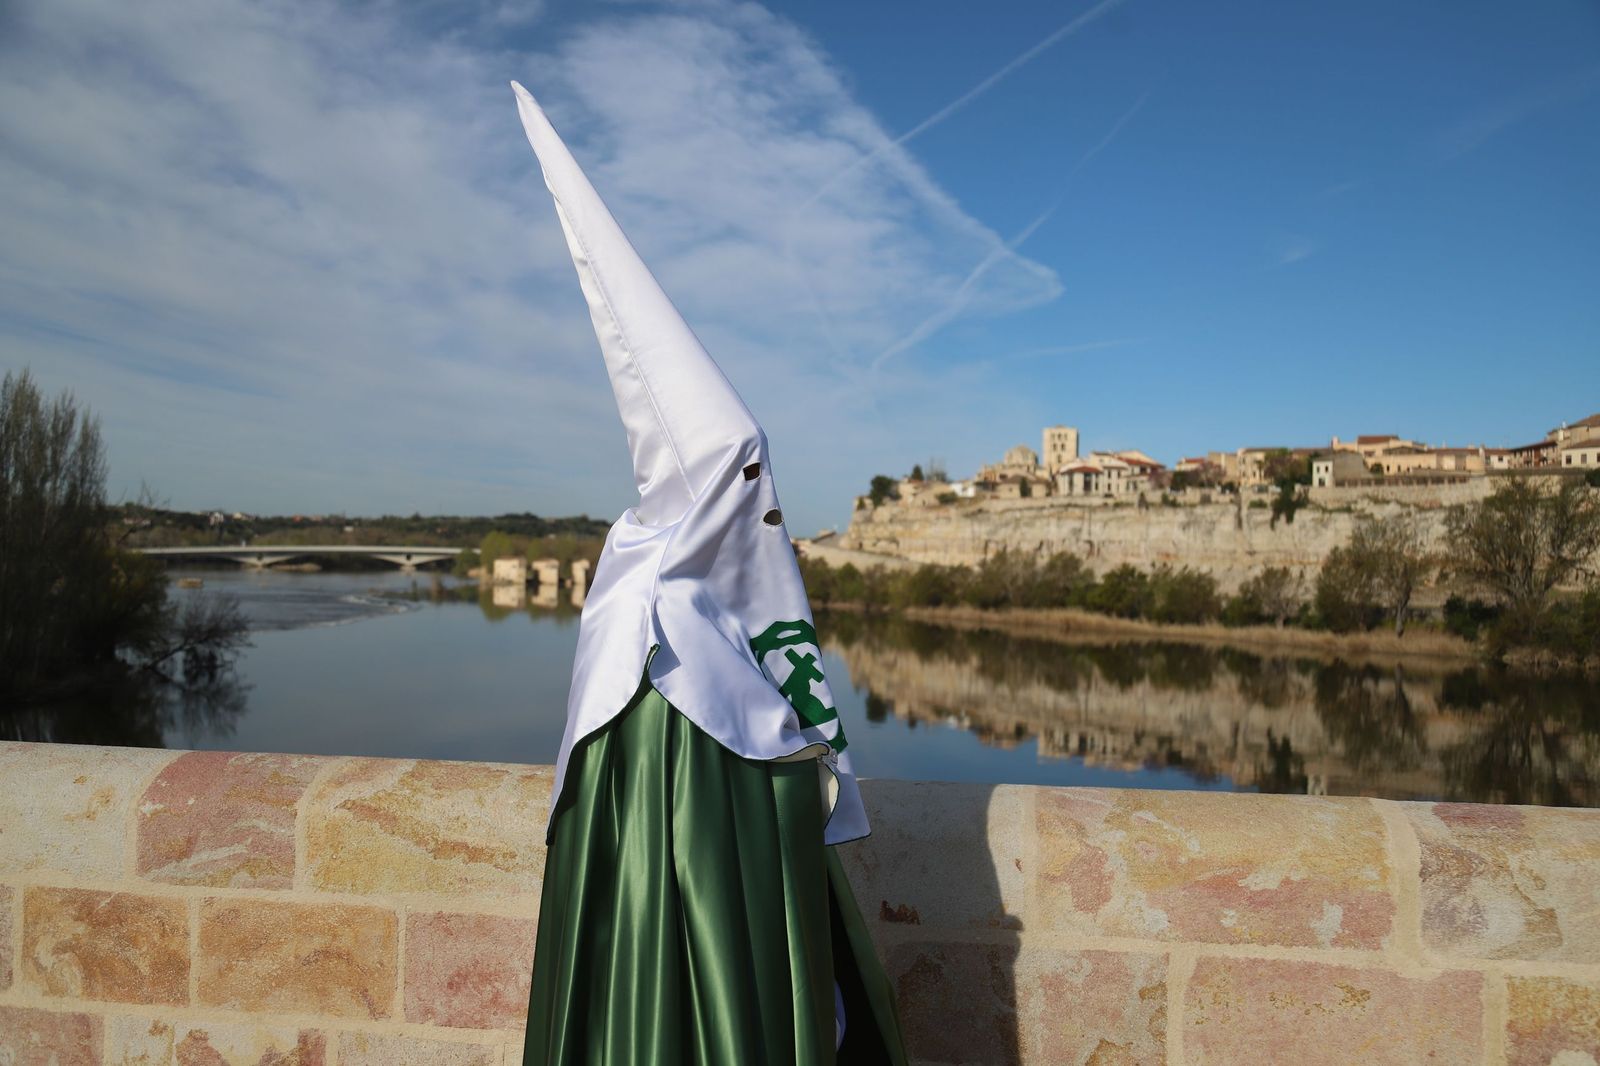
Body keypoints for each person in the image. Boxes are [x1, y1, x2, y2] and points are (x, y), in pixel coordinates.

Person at [510, 81, 909, 1065]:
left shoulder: (652, 602)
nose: (764, 509)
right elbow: (720, 811)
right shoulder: (662, 625)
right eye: (745, 480)